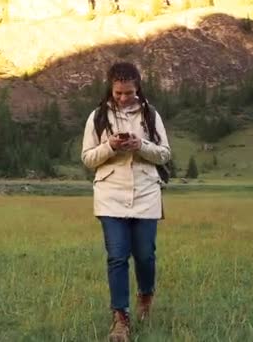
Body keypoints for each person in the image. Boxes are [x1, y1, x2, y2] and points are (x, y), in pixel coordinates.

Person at [81, 62, 171, 342]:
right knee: (117, 256)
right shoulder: (97, 117)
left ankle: (145, 297)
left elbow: (165, 154)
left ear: (138, 88)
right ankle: (120, 318)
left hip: (146, 194)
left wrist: (140, 145)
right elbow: (87, 158)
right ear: (111, 88)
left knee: (145, 255)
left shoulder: (150, 114)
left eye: (129, 92)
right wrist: (110, 146)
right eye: (118, 92)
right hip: (110, 196)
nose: (123, 97)